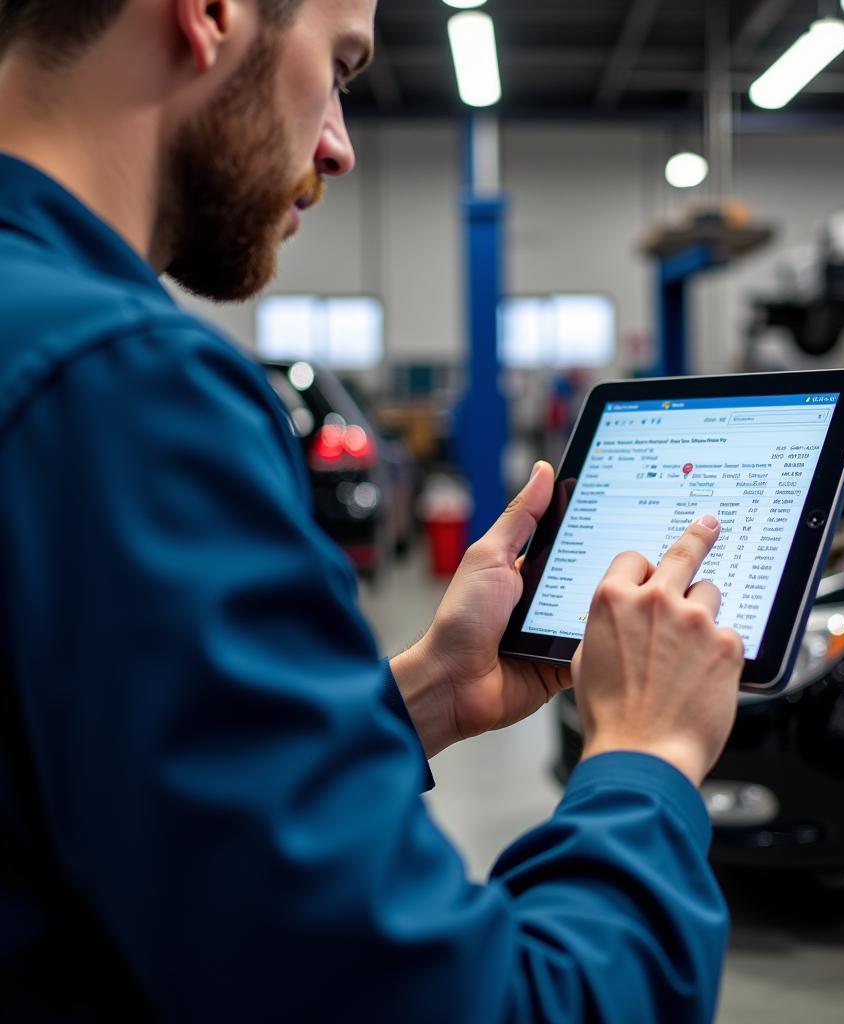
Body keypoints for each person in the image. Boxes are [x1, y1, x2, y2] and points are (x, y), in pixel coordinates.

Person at [0, 1, 745, 1020]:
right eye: (340, 66)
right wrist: (645, 756)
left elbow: (111, 798)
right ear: (211, 13)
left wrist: (430, 691)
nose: (341, 146)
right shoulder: (122, 387)